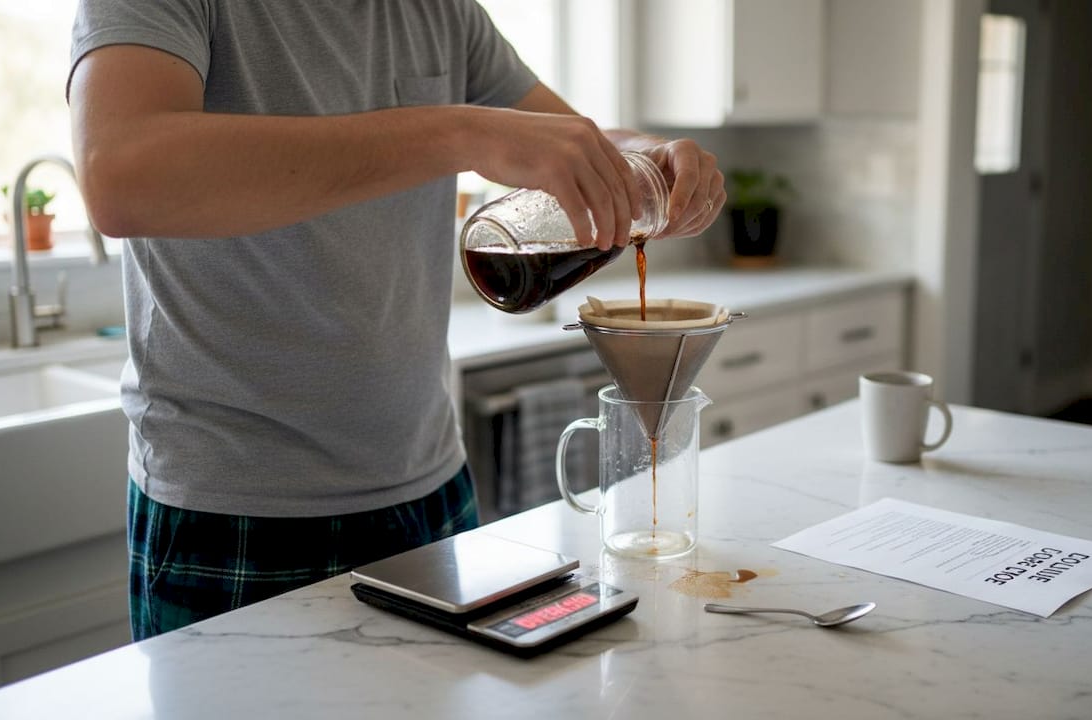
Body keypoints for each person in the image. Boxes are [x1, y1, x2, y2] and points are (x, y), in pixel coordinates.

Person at [67, 0, 724, 640]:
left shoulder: (440, 11)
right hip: (235, 513)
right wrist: (461, 131)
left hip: (432, 492)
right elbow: (122, 176)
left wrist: (651, 156)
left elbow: (578, 144)